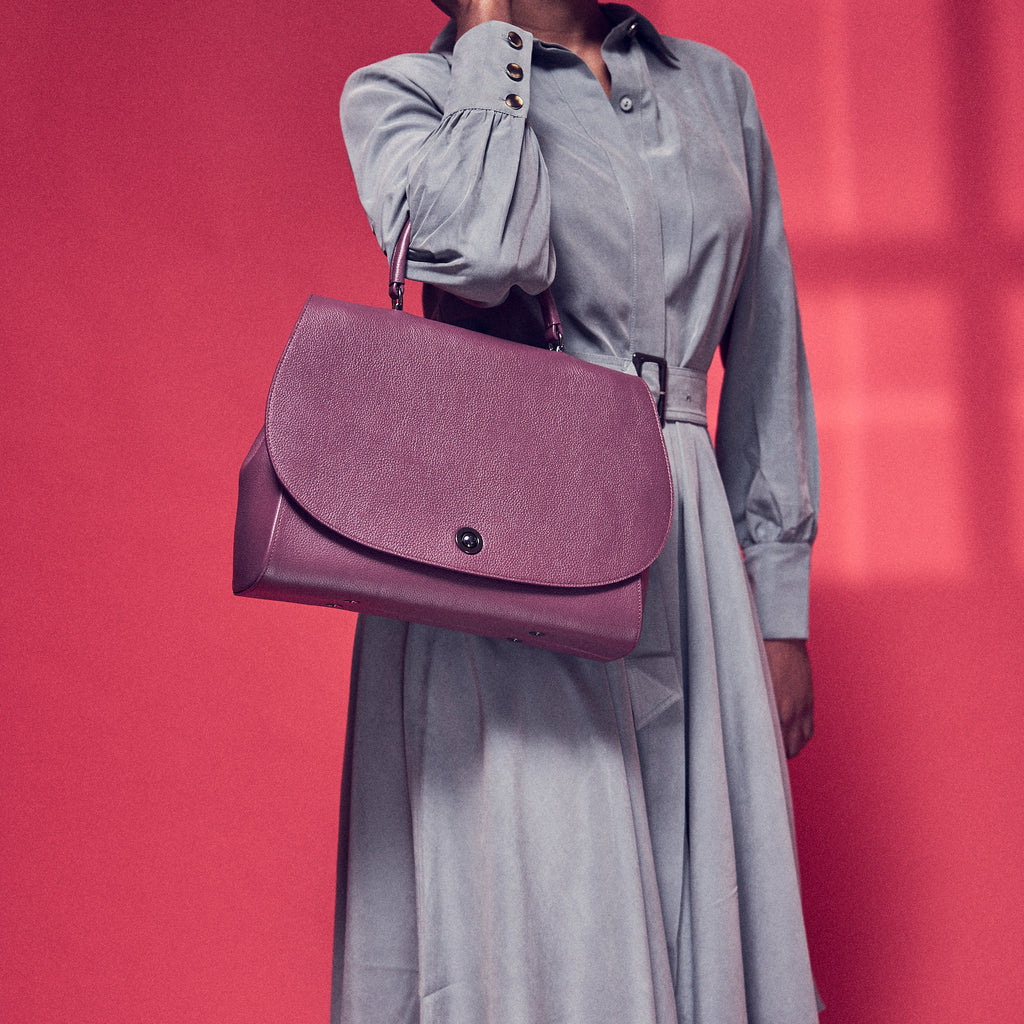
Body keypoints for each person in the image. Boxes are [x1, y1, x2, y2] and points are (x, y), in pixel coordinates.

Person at [332, 1, 820, 1021]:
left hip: (689, 554)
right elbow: (481, 249)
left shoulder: (716, 90)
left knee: (706, 912)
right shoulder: (404, 95)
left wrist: (776, 597)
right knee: (552, 921)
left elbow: (767, 346)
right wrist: (487, 41)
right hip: (516, 549)